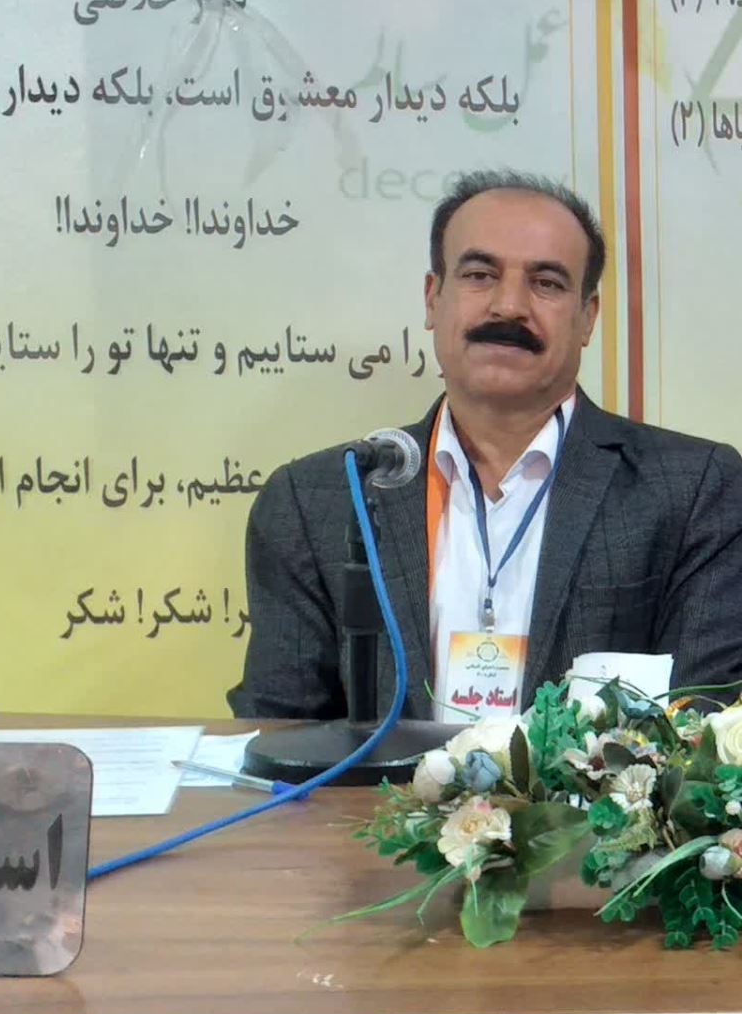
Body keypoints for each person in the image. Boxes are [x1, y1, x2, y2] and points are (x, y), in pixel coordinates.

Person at [228, 169, 742, 722]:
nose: (509, 306)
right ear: (433, 298)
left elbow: (702, 726)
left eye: (547, 283)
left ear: (587, 318)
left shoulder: (694, 492)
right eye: (479, 275)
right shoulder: (319, 500)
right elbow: (278, 733)